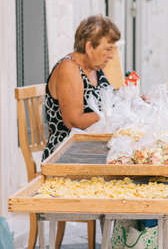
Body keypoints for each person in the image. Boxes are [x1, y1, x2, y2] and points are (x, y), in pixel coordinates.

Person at [42, 15, 120, 161]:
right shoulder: (69, 69)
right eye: (108, 49)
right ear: (90, 47)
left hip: (93, 149)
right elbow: (74, 122)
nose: (111, 55)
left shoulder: (94, 67)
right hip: (68, 154)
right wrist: (115, 113)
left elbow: (108, 103)